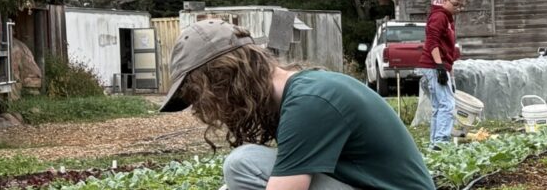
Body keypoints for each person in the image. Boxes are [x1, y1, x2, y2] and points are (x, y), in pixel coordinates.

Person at [160, 20, 433, 190]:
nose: (207, 110)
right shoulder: (304, 92)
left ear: (223, 79)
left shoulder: (309, 103)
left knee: (242, 164)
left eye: (202, 98)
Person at [422, 0, 469, 148]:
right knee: (447, 104)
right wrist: (439, 66)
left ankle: (434, 143)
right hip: (434, 65)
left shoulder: (449, 19)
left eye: (461, 6)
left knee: (438, 105)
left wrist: (451, 75)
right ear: (445, 1)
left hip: (442, 65)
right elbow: (432, 42)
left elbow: (449, 50)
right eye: (455, 4)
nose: (458, 9)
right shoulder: (439, 16)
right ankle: (441, 142)